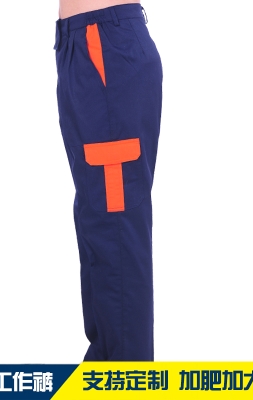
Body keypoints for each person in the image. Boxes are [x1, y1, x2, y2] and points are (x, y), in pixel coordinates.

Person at [54, 0, 162, 361]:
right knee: (97, 221)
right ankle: (105, 371)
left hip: (103, 44)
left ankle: (129, 380)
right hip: (85, 44)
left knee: (114, 227)